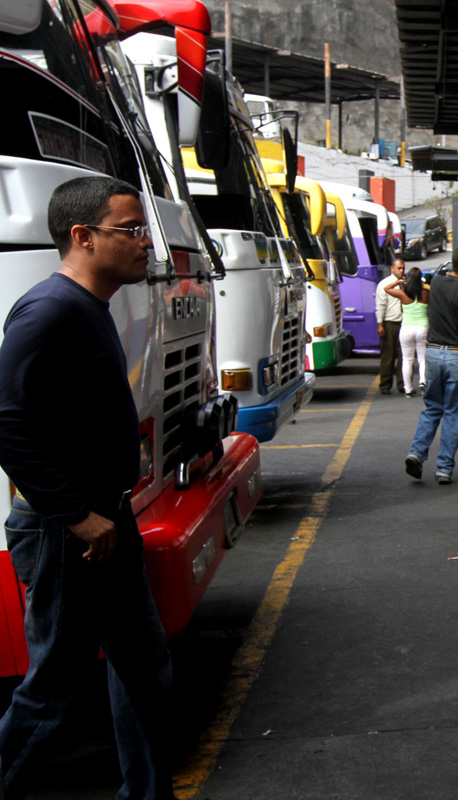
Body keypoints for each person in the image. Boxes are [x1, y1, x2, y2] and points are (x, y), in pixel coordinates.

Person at [0, 176, 180, 800]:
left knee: (143, 670)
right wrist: (76, 516)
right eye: (130, 231)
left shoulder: (89, 308)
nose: (146, 245)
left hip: (106, 521)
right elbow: (7, 423)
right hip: (71, 532)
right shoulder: (50, 311)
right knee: (52, 693)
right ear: (82, 237)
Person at [405, 245, 458, 485]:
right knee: (454, 413)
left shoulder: (437, 283)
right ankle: (443, 468)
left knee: (432, 408)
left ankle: (417, 453)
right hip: (456, 355)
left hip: (432, 353)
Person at [387, 266, 430, 397]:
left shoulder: (403, 293)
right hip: (422, 327)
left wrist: (398, 282)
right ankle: (423, 381)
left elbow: (386, 289)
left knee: (407, 360)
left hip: (406, 328)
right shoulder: (426, 293)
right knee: (423, 359)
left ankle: (408, 389)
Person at [375, 258, 406, 394]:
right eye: (399, 268)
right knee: (388, 356)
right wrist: (380, 324)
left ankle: (402, 384)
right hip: (390, 324)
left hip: (404, 323)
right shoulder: (385, 284)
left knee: (404, 356)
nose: (401, 271)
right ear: (392, 268)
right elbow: (380, 306)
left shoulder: (406, 283)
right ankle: (385, 385)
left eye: (403, 268)